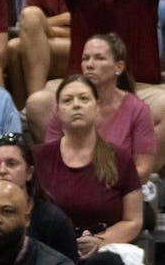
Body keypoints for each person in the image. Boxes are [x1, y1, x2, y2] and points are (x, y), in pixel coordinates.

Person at [35, 76, 143, 265]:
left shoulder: (120, 158)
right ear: (57, 111)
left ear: (97, 107)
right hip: (52, 250)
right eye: (68, 100)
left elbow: (134, 219)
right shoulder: (38, 158)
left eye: (84, 99)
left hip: (103, 249)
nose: (76, 105)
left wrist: (100, 241)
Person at [35, 35, 157, 184]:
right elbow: (51, 160)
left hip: (118, 192)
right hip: (69, 190)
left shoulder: (138, 110)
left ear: (118, 67)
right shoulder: (65, 107)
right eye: (85, 58)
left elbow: (143, 170)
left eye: (99, 58)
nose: (89, 65)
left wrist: (99, 190)